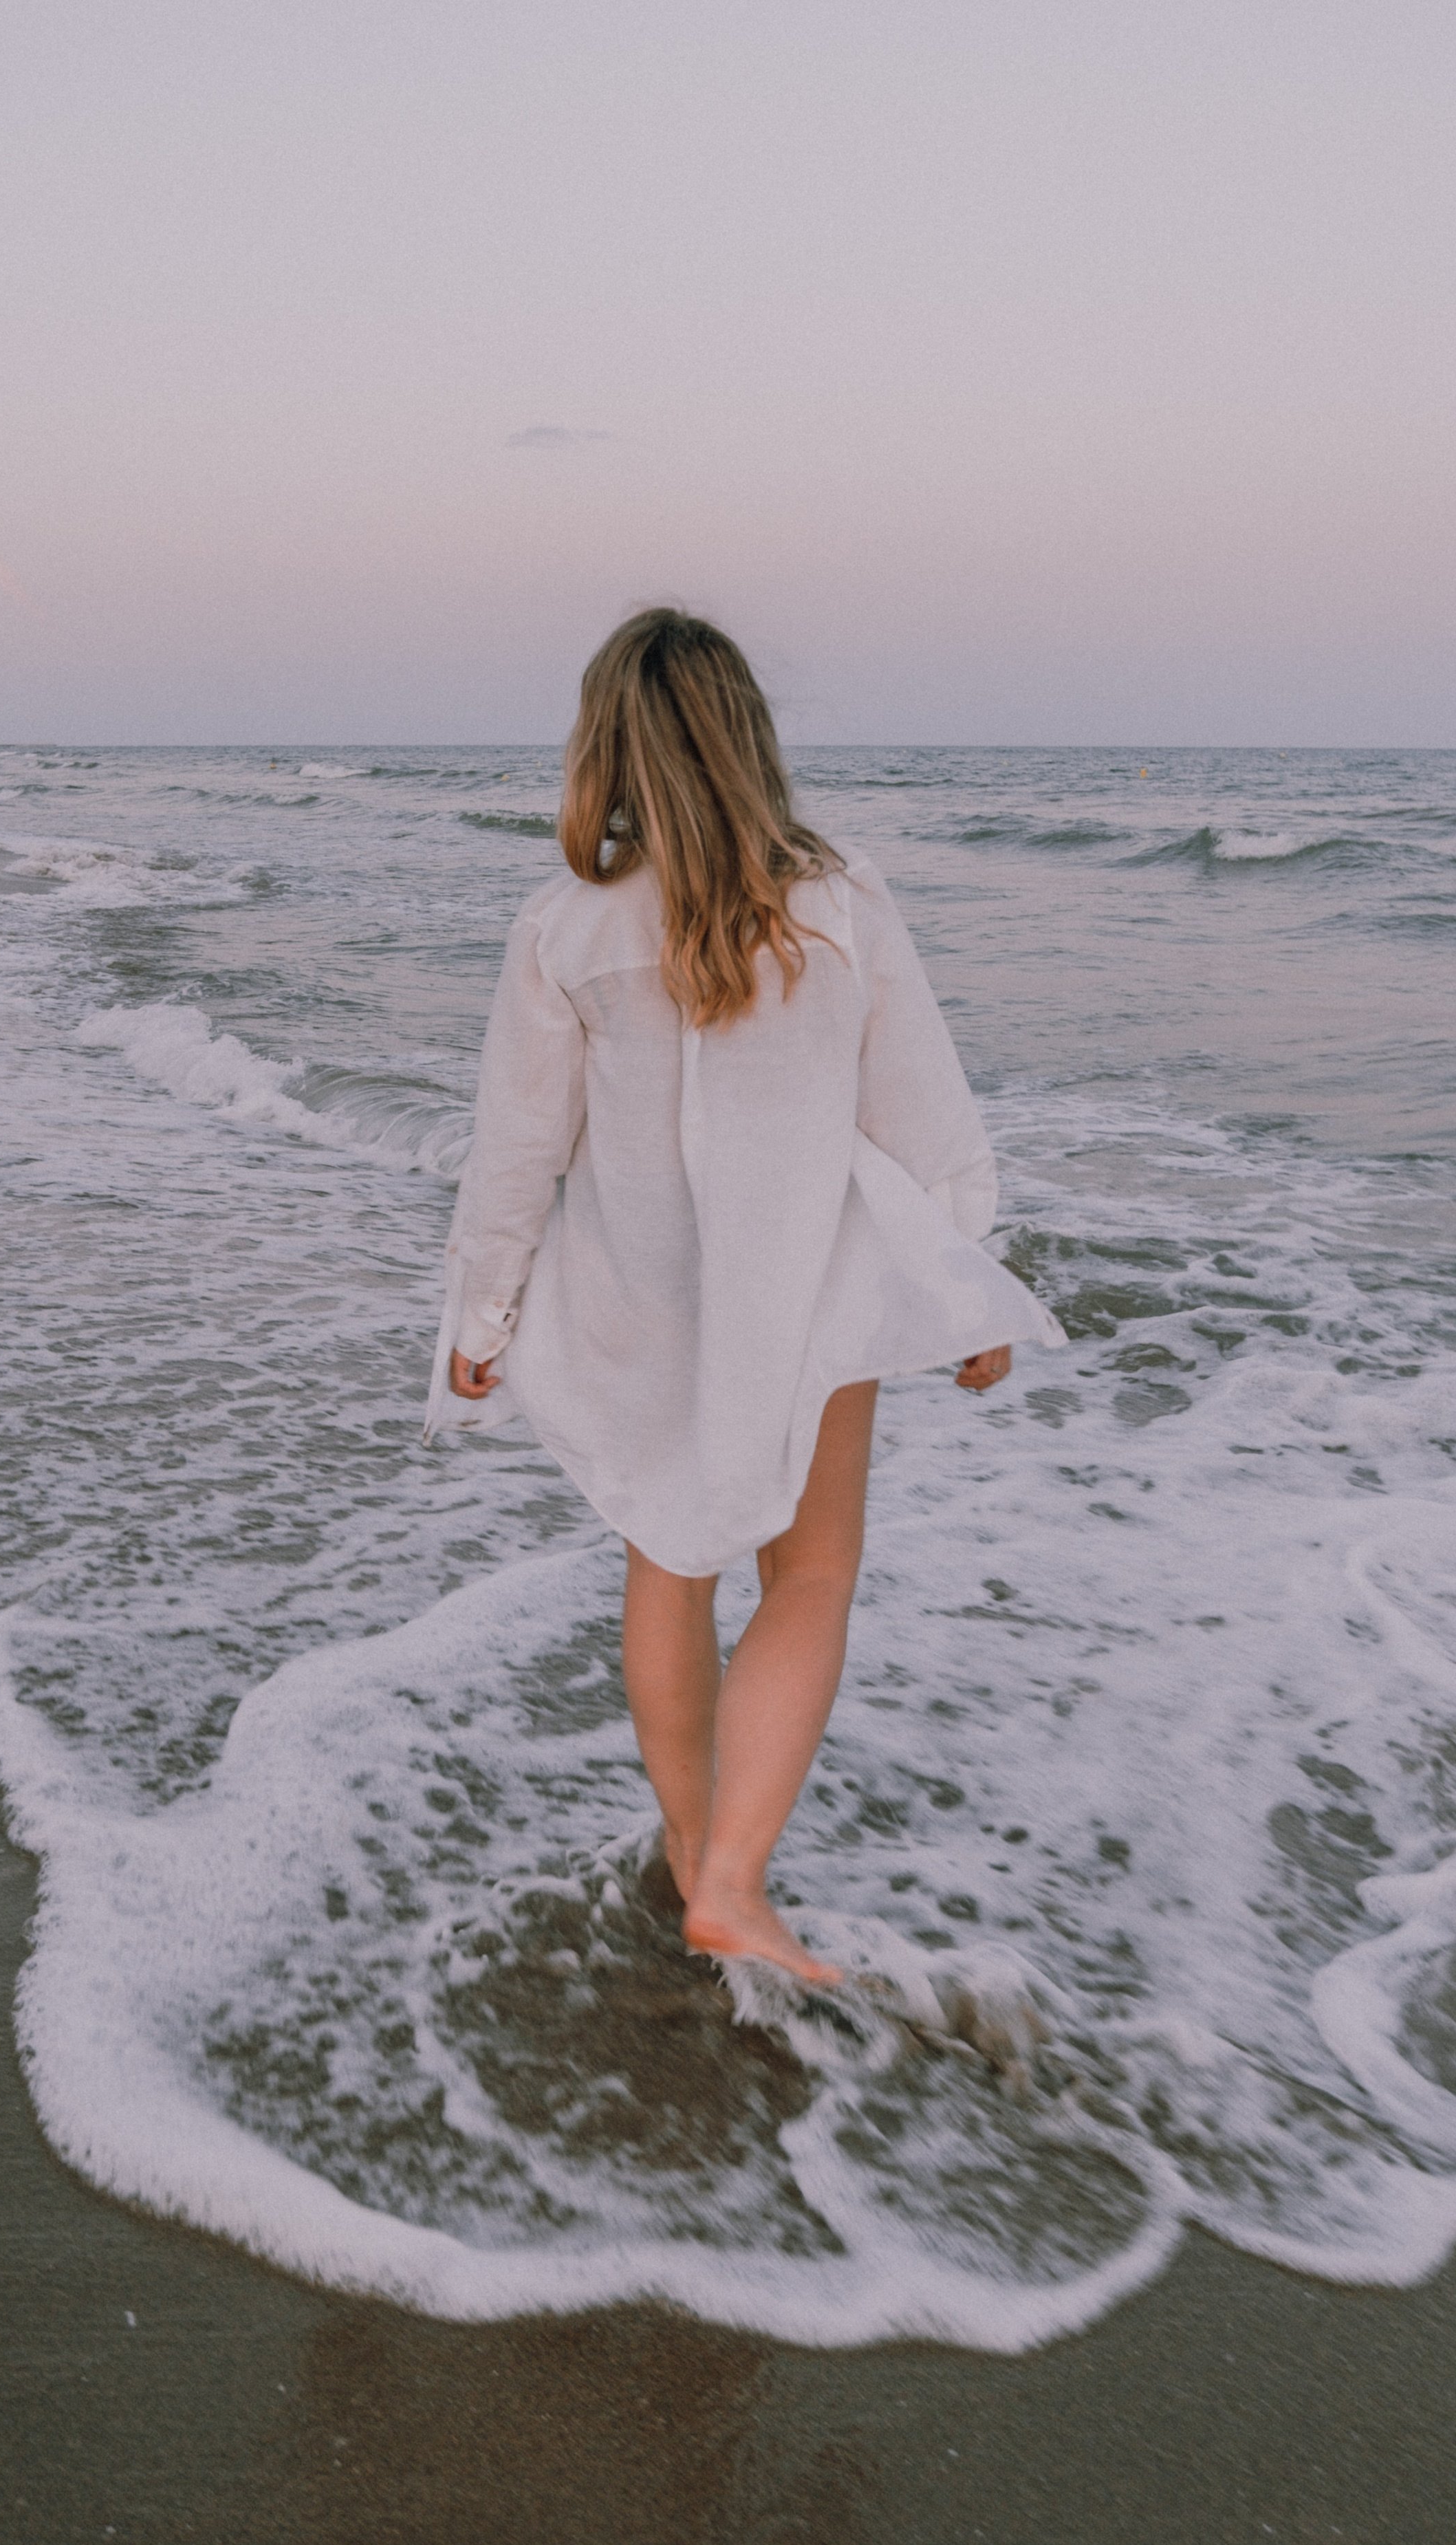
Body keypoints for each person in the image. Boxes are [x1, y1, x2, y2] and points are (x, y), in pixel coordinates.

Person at [424, 610, 1063, 1982]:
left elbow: (517, 1149)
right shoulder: (835, 902)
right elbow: (923, 1117)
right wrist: (964, 1281)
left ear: (603, 750)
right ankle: (731, 1881)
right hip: (806, 1289)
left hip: (640, 1292)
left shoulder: (567, 924)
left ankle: (689, 1840)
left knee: (669, 1555)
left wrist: (481, 1319)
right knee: (813, 1570)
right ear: (747, 738)